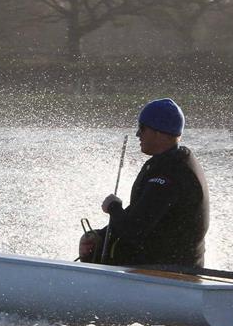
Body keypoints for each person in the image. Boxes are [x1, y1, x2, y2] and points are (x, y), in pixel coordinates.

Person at [79, 98, 209, 268]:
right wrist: (99, 236)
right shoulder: (166, 162)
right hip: (154, 269)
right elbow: (139, 214)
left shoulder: (171, 173)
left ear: (159, 132)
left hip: (170, 276)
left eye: (142, 128)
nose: (137, 134)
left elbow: (134, 230)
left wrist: (113, 207)